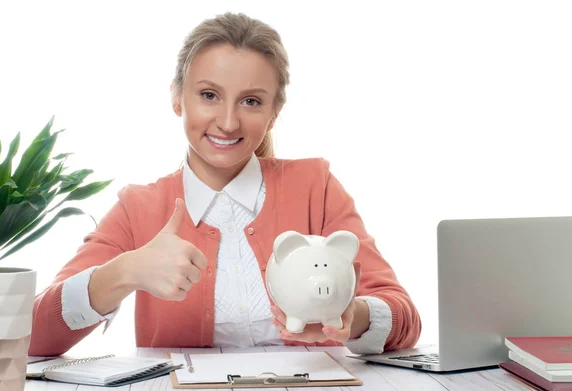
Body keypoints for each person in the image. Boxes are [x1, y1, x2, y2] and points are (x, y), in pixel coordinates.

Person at [29, 12, 421, 356]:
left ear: (273, 112)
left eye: (251, 101)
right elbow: (30, 335)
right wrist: (125, 271)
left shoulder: (314, 186)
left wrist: (355, 318)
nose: (229, 122)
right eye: (209, 95)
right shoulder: (139, 207)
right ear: (177, 98)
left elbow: (404, 315)